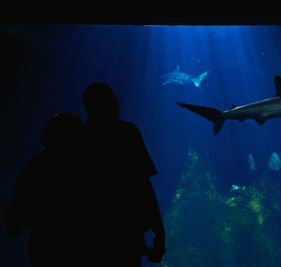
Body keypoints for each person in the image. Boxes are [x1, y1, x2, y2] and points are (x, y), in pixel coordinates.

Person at [81, 82, 166, 267]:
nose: (117, 106)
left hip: (88, 237)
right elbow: (144, 187)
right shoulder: (127, 133)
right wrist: (159, 234)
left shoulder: (78, 138)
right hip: (126, 233)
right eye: (113, 102)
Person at [4, 112, 87, 267]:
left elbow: (22, 190)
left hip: (44, 236)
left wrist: (14, 221)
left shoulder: (40, 161)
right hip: (75, 237)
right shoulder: (85, 164)